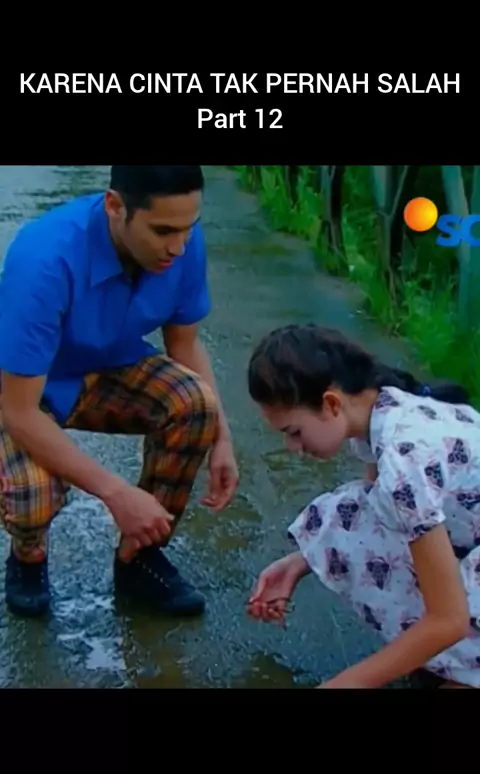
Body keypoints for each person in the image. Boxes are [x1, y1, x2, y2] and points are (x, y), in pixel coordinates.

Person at [0, 165, 239, 619]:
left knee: (197, 406)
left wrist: (222, 439)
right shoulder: (44, 258)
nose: (178, 247)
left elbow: (184, 344)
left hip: (108, 365)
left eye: (188, 227)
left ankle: (139, 556)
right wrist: (115, 493)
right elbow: (19, 412)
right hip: (23, 386)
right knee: (33, 493)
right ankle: (28, 554)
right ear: (115, 206)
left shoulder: (182, 241)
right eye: (163, 231)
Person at [246, 323, 480, 689]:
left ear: (331, 403)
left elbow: (448, 620)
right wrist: (300, 561)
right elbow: (372, 518)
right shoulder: (381, 410)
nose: (293, 448)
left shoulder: (404, 461)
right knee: (350, 511)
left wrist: (346, 683)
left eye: (294, 432)